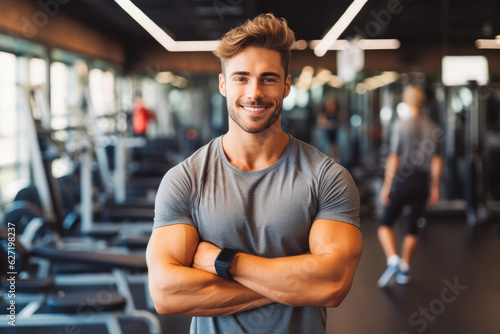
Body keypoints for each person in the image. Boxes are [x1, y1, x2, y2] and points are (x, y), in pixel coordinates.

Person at [146, 14, 362, 333]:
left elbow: (330, 283)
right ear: (223, 84)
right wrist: (293, 287)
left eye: (268, 78)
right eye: (241, 78)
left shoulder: (327, 178)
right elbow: (166, 293)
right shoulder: (185, 180)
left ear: (287, 85)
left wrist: (222, 262)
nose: (254, 93)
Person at [377, 85, 442, 288]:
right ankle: (404, 270)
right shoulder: (433, 127)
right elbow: (437, 162)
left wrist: (387, 185)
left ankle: (393, 259)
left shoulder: (401, 125)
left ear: (407, 101)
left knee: (385, 223)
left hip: (403, 179)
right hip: (422, 180)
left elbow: (394, 157)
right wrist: (435, 187)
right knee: (412, 227)